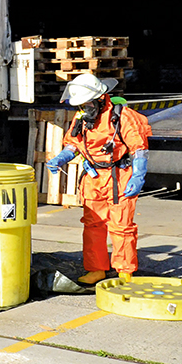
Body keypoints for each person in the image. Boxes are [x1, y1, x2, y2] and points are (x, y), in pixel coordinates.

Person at [45, 73, 152, 285]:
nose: (83, 108)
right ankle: (96, 269)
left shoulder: (123, 117)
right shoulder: (82, 116)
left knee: (121, 226)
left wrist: (138, 176)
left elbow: (139, 148)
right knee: (93, 225)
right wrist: (61, 158)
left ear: (101, 98)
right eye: (80, 105)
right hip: (93, 178)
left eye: (86, 104)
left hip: (119, 176)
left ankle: (124, 271)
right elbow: (73, 143)